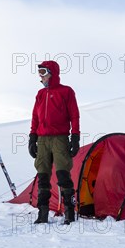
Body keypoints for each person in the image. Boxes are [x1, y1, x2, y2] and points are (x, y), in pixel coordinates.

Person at [28, 60, 80, 225]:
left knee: (63, 175)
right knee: (43, 176)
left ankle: (69, 213)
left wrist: (75, 137)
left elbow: (74, 115)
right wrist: (32, 137)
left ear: (52, 73)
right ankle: (42, 213)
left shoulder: (66, 91)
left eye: (43, 72)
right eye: (39, 72)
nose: (40, 76)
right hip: (42, 140)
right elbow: (35, 117)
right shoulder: (40, 94)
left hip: (60, 138)